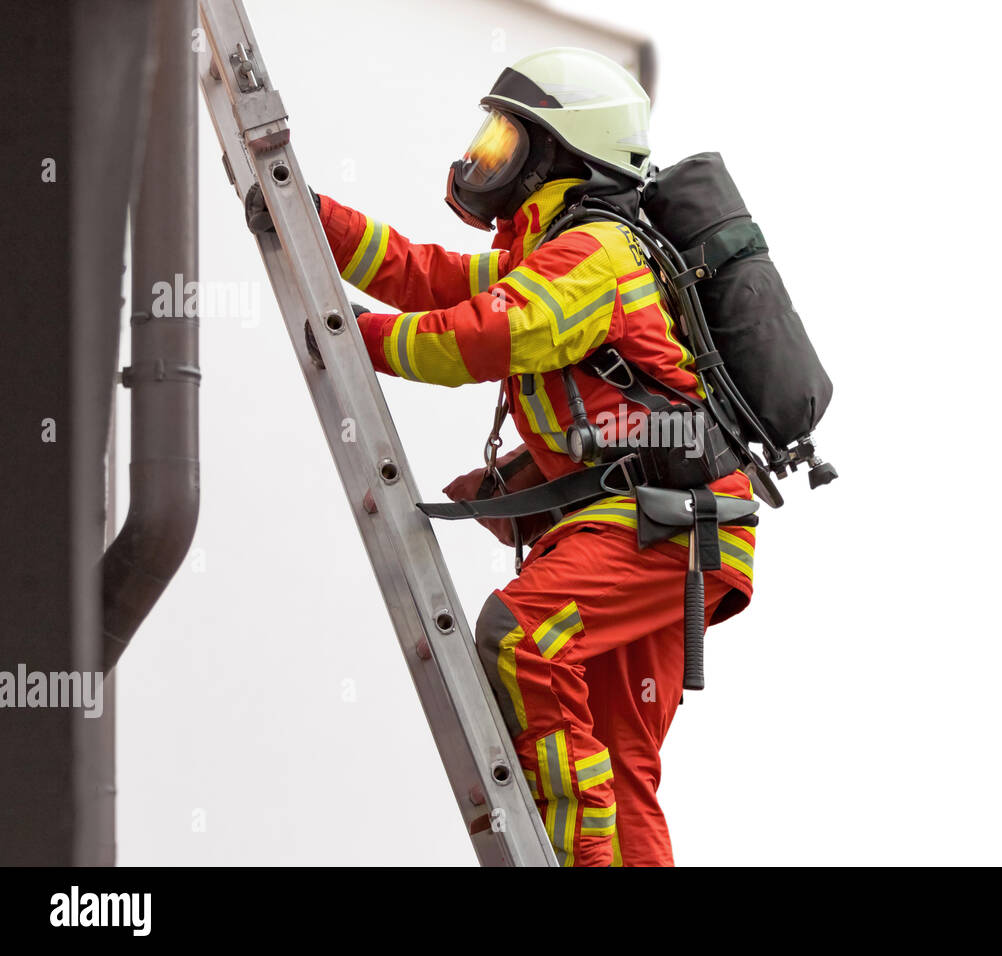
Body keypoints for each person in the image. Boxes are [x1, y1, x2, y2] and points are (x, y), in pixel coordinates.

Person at [261, 48, 756, 866]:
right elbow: (434, 277)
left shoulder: (593, 255)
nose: (484, 156)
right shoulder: (560, 251)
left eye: (504, 139)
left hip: (662, 526)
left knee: (522, 639)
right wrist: (309, 216)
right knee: (621, 765)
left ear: (560, 152)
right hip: (679, 529)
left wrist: (349, 334)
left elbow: (479, 336)